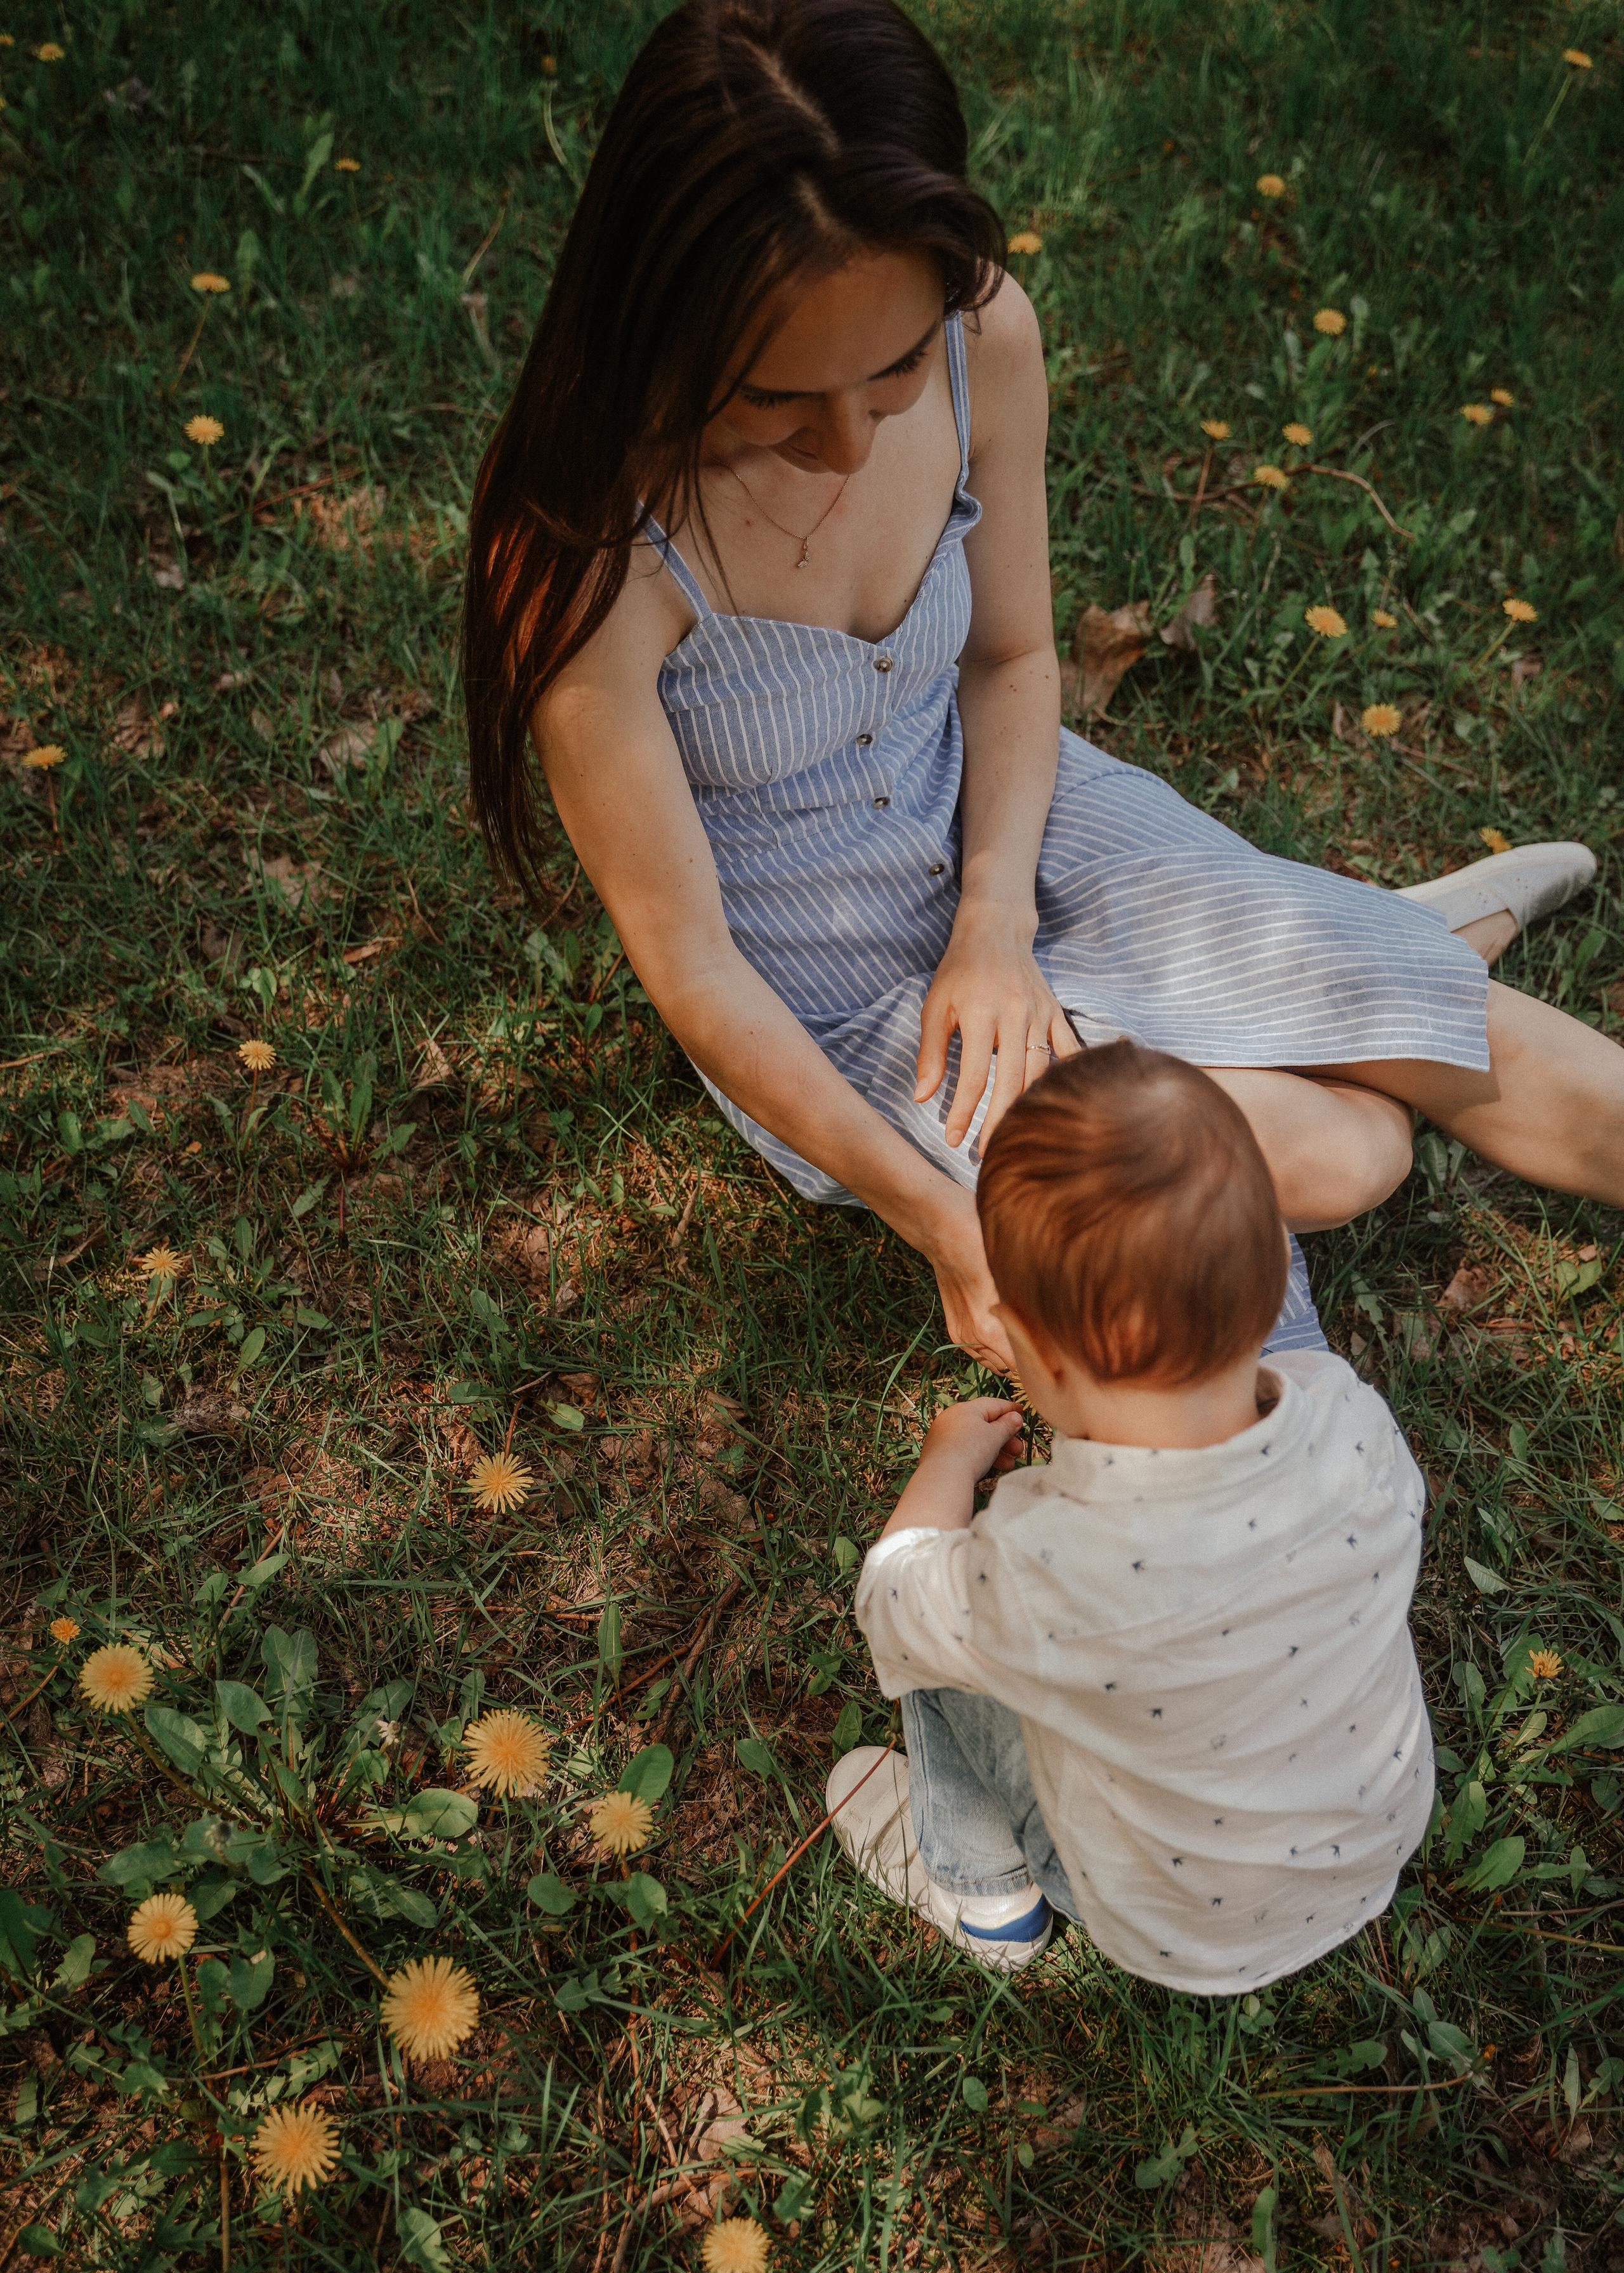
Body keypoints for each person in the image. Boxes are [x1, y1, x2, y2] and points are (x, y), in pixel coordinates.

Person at [461, 0, 1618, 1371]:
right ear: (664, 321)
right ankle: (1365, 962)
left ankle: (1361, 965)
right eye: (773, 396)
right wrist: (940, 1222)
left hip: (1027, 824)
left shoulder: (984, 335)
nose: (848, 443)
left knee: (1464, 1037)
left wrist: (995, 926)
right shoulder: (585, 546)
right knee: (1349, 1152)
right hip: (841, 1001)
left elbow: (1012, 659)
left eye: (893, 368)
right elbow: (697, 970)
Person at [834, 1043, 1434, 1989]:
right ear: (1278, 1276)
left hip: (1170, 1925)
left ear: (1029, 1350)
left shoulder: (1043, 1566)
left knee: (942, 1646)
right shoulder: (1351, 1419)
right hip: (1367, 1848)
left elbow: (889, 1598)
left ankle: (988, 1897)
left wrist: (947, 1461)